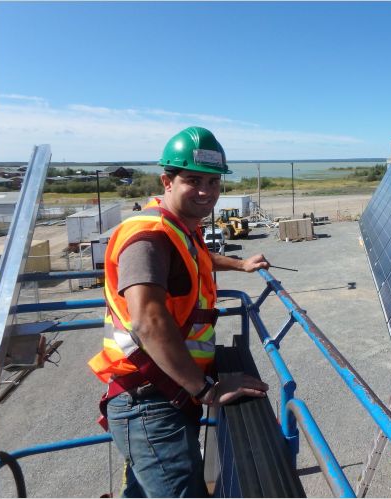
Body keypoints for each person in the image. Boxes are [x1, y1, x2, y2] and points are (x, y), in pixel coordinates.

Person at [88, 126, 270, 497]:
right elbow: (147, 321)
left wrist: (239, 266)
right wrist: (207, 390)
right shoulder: (149, 236)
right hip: (150, 400)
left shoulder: (178, 230)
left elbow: (196, 260)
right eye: (193, 180)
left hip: (163, 392)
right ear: (167, 181)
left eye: (213, 181)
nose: (207, 192)